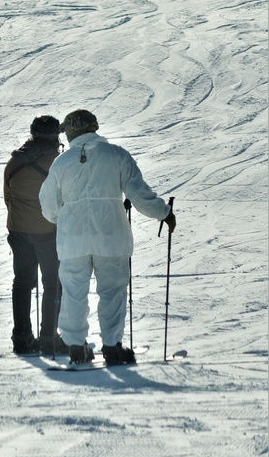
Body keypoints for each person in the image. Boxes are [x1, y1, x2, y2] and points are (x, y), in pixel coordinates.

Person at [38, 109, 176, 366]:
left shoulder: (61, 162)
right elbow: (139, 194)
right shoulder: (117, 155)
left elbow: (48, 205)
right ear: (94, 128)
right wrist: (164, 213)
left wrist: (63, 216)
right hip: (111, 236)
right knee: (113, 292)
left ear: (69, 132)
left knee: (74, 292)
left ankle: (77, 347)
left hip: (73, 239)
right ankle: (112, 347)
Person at [4, 115, 64, 355]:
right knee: (52, 283)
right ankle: (49, 336)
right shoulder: (57, 163)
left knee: (22, 282)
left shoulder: (14, 161)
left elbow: (8, 198)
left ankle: (21, 338)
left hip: (18, 229)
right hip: (48, 231)